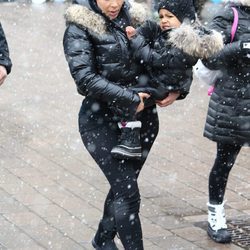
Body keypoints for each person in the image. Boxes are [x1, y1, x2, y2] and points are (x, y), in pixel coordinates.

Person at [63, 0, 159, 249]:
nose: (115, 3)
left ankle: (103, 238)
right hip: (100, 121)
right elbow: (84, 78)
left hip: (142, 121)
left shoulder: (138, 17)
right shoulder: (79, 25)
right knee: (128, 193)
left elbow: (166, 57)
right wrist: (129, 99)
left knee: (124, 187)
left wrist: (177, 90)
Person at [111, 0, 224, 160]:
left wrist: (136, 39)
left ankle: (131, 139)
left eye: (169, 16)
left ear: (184, 19)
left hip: (160, 85)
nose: (163, 20)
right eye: (161, 16)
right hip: (161, 82)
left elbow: (154, 58)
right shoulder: (172, 36)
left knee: (127, 97)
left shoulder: (184, 43)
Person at [201, 0, 250, 244]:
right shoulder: (228, 15)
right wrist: (239, 48)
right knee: (224, 162)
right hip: (234, 102)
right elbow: (209, 57)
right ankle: (215, 215)